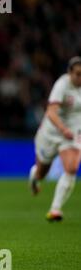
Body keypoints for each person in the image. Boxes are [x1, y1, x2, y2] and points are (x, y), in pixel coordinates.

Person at [29, 56, 81, 222]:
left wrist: (70, 130)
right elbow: (51, 111)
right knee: (42, 172)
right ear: (70, 73)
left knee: (72, 167)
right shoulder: (62, 85)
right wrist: (62, 129)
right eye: (78, 74)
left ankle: (55, 209)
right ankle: (34, 177)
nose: (80, 78)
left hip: (72, 132)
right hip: (51, 132)